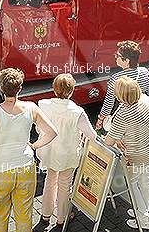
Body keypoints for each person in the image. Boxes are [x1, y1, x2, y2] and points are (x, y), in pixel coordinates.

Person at [0, 68, 57, 232]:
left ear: (0, 88)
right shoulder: (31, 108)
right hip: (25, 166)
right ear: (20, 88)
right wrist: (34, 145)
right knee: (24, 213)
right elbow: (51, 132)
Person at [36, 74, 96, 230]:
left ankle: (45, 216)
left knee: (50, 182)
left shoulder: (43, 105)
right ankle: (61, 219)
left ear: (54, 88)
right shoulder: (77, 112)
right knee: (65, 186)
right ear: (72, 90)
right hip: (67, 155)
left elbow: (38, 127)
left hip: (49, 151)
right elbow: (92, 135)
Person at [104, 77, 149, 230]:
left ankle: (143, 218)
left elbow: (109, 141)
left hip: (136, 156)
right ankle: (143, 211)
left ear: (121, 96)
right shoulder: (146, 100)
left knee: (133, 184)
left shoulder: (123, 114)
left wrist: (110, 140)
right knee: (145, 181)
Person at [96, 40, 149, 130]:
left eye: (118, 56)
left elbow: (109, 102)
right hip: (141, 113)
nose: (115, 57)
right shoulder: (144, 72)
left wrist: (101, 119)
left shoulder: (116, 78)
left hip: (124, 116)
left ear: (126, 60)